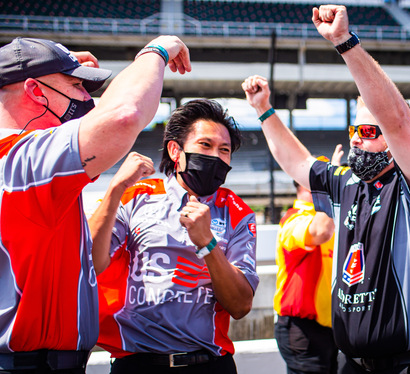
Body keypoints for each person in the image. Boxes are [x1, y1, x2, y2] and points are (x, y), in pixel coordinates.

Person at [242, 5, 410, 373]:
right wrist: (264, 110)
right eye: (354, 131)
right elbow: (297, 162)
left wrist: (344, 42)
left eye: (370, 132)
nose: (358, 141)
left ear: (394, 141)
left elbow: (397, 119)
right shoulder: (346, 183)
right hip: (356, 364)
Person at [0, 36, 190, 373]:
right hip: (29, 364)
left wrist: (58, 64)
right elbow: (123, 115)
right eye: (78, 86)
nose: (89, 98)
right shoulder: (22, 160)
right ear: (35, 91)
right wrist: (156, 51)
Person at [89, 99, 259, 374]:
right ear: (175, 151)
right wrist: (116, 188)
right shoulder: (135, 196)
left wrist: (207, 243)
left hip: (208, 364)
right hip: (136, 364)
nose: (215, 156)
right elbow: (89, 263)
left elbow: (240, 306)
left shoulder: (239, 214)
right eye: (205, 145)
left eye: (224, 150)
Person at [274, 166, 337, 374]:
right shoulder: (294, 218)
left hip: (331, 328)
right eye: (323, 179)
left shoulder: (331, 217)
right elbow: (319, 231)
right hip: (303, 328)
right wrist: (329, 192)